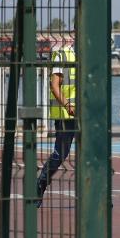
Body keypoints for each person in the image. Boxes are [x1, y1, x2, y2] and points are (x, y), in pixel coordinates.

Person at [37, 45, 76, 206]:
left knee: (94, 154)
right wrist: (68, 105)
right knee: (60, 154)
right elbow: (55, 85)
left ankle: (100, 197)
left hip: (87, 114)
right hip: (66, 115)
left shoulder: (93, 54)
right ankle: (40, 184)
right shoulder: (63, 55)